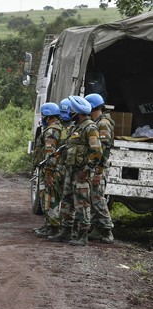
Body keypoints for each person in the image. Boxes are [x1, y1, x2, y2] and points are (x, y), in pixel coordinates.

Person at [48, 95, 102, 246]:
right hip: (71, 171)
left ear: (77, 112)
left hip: (81, 173)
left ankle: (82, 235)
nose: (69, 112)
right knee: (67, 201)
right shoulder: (75, 127)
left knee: (82, 204)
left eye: (72, 110)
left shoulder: (90, 128)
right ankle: (66, 231)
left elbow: (97, 152)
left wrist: (87, 169)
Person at [85, 93, 115, 244]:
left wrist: (98, 172)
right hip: (97, 167)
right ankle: (97, 229)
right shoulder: (98, 122)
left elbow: (104, 150)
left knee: (97, 199)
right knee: (93, 198)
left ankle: (107, 230)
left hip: (99, 168)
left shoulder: (102, 124)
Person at [34, 102, 62, 238]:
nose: (42, 118)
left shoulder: (51, 131)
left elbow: (49, 154)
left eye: (44, 116)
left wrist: (49, 172)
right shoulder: (54, 128)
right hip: (50, 169)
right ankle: (48, 225)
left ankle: (53, 227)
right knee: (46, 197)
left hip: (51, 170)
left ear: (48, 116)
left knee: (50, 198)